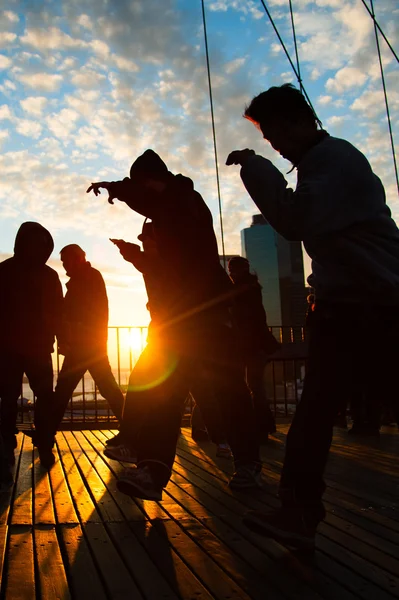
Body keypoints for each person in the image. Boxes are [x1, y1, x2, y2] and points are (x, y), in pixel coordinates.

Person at [226, 83, 399, 550]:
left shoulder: (335, 161)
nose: (273, 143)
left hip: (372, 303)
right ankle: (296, 511)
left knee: (322, 407)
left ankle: (297, 511)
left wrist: (256, 168)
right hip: (348, 304)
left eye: (275, 131)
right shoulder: (322, 164)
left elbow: (295, 220)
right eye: (267, 136)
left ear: (302, 120)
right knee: (318, 408)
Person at [87, 149, 261, 500]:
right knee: (165, 395)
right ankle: (152, 469)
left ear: (151, 182)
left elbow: (164, 230)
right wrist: (135, 249)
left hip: (205, 315)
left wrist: (118, 188)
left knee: (226, 392)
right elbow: (164, 266)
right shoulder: (171, 207)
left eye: (141, 186)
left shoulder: (182, 201)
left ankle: (248, 463)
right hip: (179, 319)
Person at [44, 244, 124, 466]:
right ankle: (130, 430)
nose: (65, 266)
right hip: (90, 346)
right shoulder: (88, 277)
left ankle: (47, 435)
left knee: (63, 392)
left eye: (66, 262)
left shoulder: (85, 279)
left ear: (77, 259)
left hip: (84, 347)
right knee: (108, 390)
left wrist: (68, 333)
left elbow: (79, 312)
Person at [0, 222, 63, 468]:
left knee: (8, 397)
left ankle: (6, 444)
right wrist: (59, 337)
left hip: (7, 347)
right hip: (38, 346)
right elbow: (58, 311)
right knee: (45, 396)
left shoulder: (4, 270)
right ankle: (45, 445)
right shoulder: (49, 275)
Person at [228, 256, 279, 442]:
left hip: (245, 345)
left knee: (244, 386)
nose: (231, 273)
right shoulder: (253, 288)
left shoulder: (239, 290)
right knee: (256, 387)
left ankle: (253, 427)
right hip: (256, 345)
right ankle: (262, 427)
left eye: (232, 270)